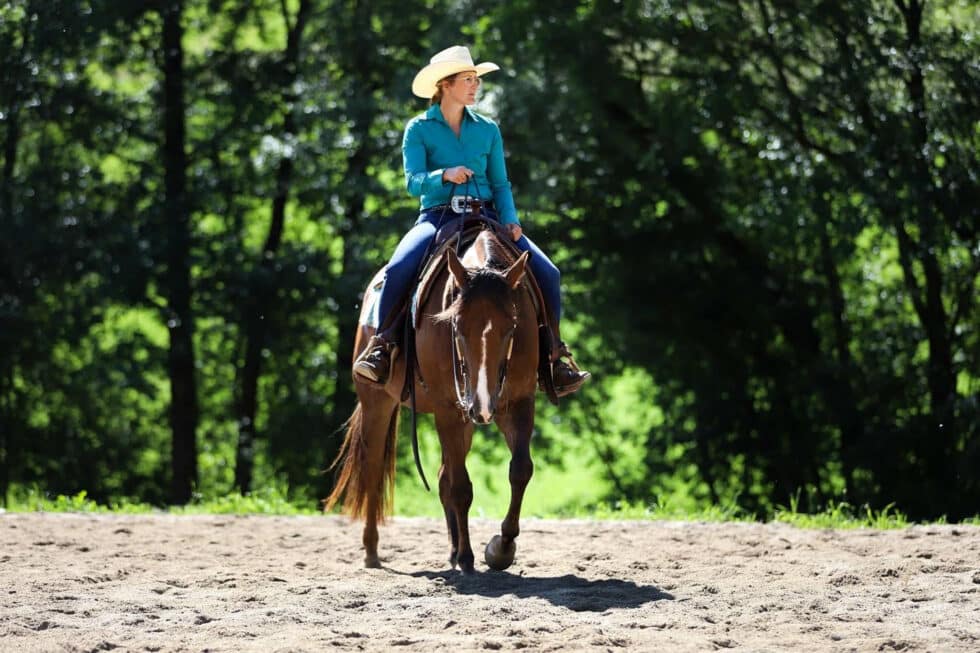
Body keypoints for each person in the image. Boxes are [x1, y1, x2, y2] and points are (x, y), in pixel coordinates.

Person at [353, 45, 590, 397]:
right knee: (399, 267)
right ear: (445, 84)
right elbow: (412, 181)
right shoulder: (418, 129)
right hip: (437, 216)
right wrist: (444, 175)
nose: (475, 85)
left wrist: (510, 220)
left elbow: (500, 183)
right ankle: (383, 347)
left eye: (476, 79)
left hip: (487, 216)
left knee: (550, 273)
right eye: (468, 79)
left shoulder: (487, 129)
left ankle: (555, 359)